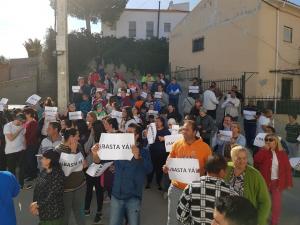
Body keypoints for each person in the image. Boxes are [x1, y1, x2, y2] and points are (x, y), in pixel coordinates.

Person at [91, 123, 153, 225]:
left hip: (133, 196)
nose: (126, 135)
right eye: (126, 132)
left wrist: (138, 157)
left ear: (137, 136)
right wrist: (95, 154)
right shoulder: (117, 148)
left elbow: (149, 169)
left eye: (130, 133)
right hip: (116, 195)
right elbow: (98, 161)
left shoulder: (144, 151)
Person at [163, 120, 212, 225]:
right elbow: (170, 159)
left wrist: (203, 170)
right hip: (176, 188)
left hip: (196, 190)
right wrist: (166, 167)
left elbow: (210, 168)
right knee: (172, 220)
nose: (184, 132)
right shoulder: (177, 144)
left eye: (187, 130)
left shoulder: (205, 148)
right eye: (183, 129)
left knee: (191, 220)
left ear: (194, 132)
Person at [177, 155, 237, 225]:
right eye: (225, 170)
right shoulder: (231, 193)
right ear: (221, 172)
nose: (226, 173)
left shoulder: (191, 187)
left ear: (206, 169)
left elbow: (180, 216)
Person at [225, 145, 271, 225]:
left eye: (244, 158)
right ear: (232, 158)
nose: (242, 161)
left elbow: (265, 201)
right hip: (228, 216)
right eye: (239, 158)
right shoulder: (226, 168)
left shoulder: (255, 174)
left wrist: (259, 220)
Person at [254, 134, 293, 225]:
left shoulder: (282, 153)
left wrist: (289, 182)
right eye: (266, 140)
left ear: (276, 142)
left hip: (277, 182)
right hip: (264, 181)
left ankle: (274, 222)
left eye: (270, 140)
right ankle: (261, 218)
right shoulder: (263, 150)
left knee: (276, 203)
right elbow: (256, 160)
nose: (268, 141)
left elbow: (287, 168)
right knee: (263, 201)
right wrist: (263, 150)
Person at [56, 128, 87, 225]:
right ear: (70, 137)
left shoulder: (79, 146)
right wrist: (73, 152)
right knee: (65, 216)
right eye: (77, 136)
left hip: (81, 186)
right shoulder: (57, 151)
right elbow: (64, 172)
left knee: (80, 214)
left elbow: (84, 164)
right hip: (66, 190)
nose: (79, 138)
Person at [30, 150, 64, 225]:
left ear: (49, 160)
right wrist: (35, 203)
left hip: (53, 215)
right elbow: (37, 188)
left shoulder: (57, 174)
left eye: (43, 158)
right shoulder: (44, 171)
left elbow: (52, 194)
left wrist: (37, 204)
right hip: (43, 213)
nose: (41, 160)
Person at [84, 121, 106, 224]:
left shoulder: (93, 137)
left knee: (90, 188)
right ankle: (98, 212)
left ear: (94, 128)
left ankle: (87, 209)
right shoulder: (106, 137)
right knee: (98, 190)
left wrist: (90, 137)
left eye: (91, 127)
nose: (90, 128)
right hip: (101, 167)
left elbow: (86, 148)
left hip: (94, 167)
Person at [4, 113, 28, 189]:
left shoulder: (22, 127)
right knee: (12, 170)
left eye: (24, 122)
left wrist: (25, 147)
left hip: (21, 150)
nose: (23, 124)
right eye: (22, 122)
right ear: (18, 119)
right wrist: (19, 130)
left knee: (22, 168)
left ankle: (21, 184)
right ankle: (12, 186)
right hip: (10, 151)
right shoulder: (8, 126)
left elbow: (23, 137)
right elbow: (11, 138)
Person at [146, 116, 171, 190]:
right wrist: (146, 133)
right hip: (152, 152)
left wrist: (164, 139)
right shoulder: (152, 130)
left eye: (158, 121)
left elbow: (171, 140)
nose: (156, 123)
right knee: (151, 168)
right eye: (155, 121)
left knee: (159, 169)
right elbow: (146, 138)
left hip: (161, 154)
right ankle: (148, 182)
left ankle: (158, 183)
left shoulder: (166, 131)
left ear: (162, 122)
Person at [24, 107, 39, 180]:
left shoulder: (33, 122)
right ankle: (28, 174)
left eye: (25, 113)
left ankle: (33, 175)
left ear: (29, 114)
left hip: (31, 144)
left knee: (31, 159)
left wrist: (26, 142)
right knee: (27, 159)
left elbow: (32, 135)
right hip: (26, 144)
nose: (24, 115)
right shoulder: (26, 121)